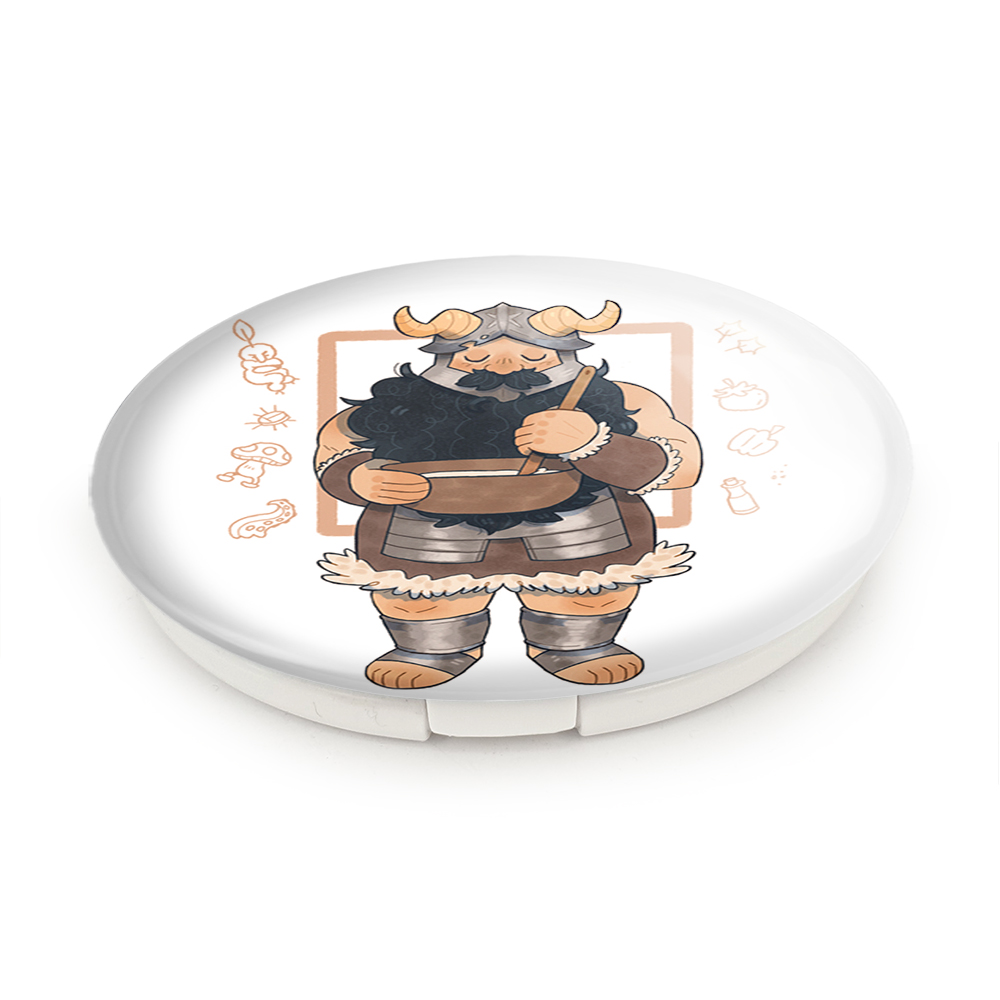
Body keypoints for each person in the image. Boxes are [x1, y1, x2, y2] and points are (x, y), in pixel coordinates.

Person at [315, 300, 701, 689]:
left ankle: (578, 646)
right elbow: (334, 451)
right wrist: (358, 478)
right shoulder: (395, 405)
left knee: (586, 595)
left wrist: (593, 444)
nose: (502, 367)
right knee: (421, 599)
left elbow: (683, 466)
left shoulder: (619, 398)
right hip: (424, 525)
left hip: (580, 523)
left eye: (533, 356)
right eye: (476, 357)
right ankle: (432, 649)